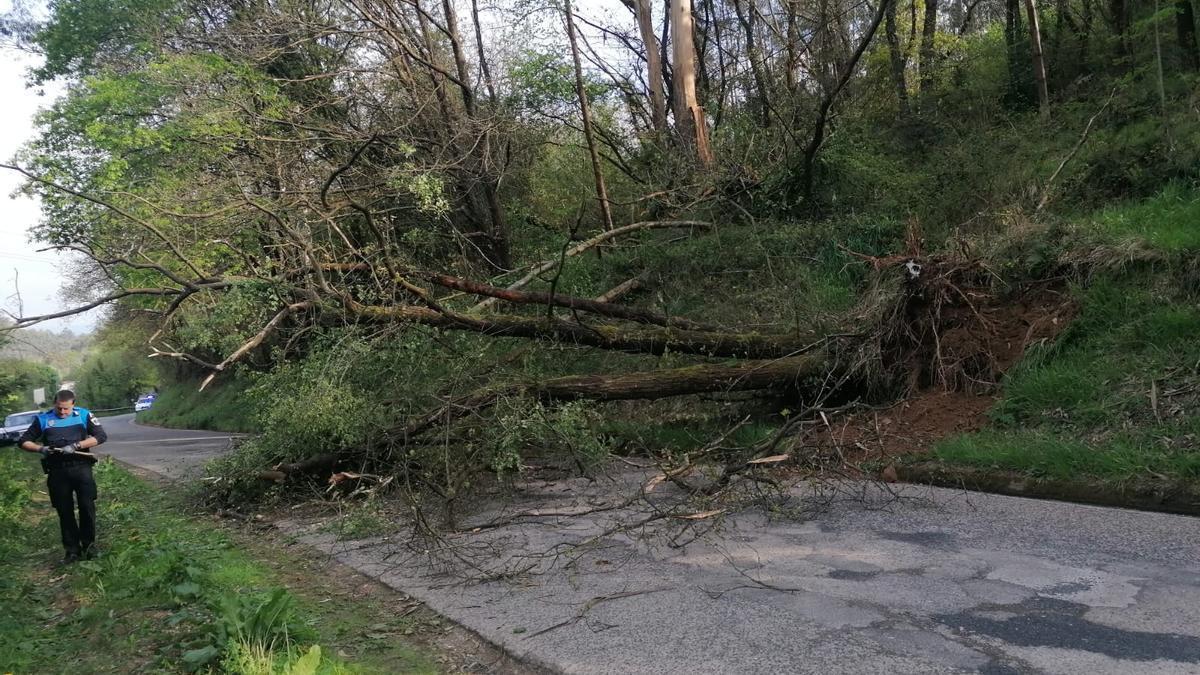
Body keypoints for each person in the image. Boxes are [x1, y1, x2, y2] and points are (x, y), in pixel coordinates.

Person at [18, 390, 108, 564]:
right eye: (59, 408)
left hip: (81, 468)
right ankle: (72, 551)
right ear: (54, 404)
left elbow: (100, 436)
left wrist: (77, 445)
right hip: (57, 472)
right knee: (64, 511)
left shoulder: (84, 415)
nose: (62, 412)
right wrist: (40, 449)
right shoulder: (43, 419)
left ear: (73, 404)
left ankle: (89, 547)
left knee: (86, 507)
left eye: (66, 409)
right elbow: (23, 441)